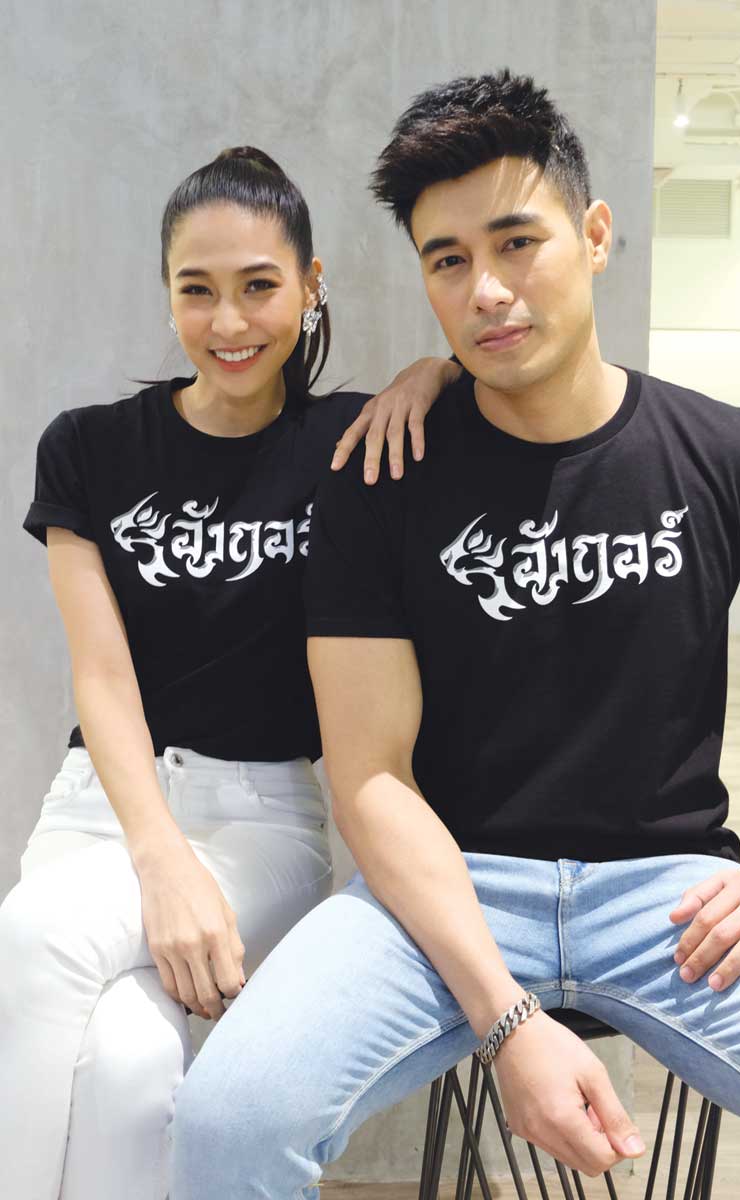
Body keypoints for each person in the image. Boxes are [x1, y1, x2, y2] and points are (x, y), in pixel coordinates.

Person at [170, 74, 740, 1198]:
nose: (488, 291)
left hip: (672, 900)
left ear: (593, 235)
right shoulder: (380, 478)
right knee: (228, 1120)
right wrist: (506, 1021)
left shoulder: (728, 457)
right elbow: (369, 776)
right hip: (445, 890)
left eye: (517, 242)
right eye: (448, 260)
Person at [0, 145, 459, 1200]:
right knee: (129, 1065)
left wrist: (427, 372)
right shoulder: (90, 448)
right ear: (167, 295)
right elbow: (102, 677)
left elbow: (495, 384)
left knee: (36, 939)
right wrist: (161, 861)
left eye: (259, 286)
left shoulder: (353, 440)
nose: (229, 321)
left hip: (262, 823)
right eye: (196, 290)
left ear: (310, 286)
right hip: (101, 805)